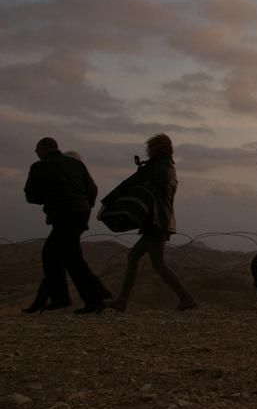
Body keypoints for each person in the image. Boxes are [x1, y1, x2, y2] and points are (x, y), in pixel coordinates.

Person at [109, 134, 197, 312]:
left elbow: (128, 183)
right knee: (133, 257)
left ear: (154, 149)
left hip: (155, 222)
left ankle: (186, 299)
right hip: (162, 221)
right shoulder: (169, 168)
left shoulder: (155, 167)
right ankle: (122, 301)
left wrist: (106, 203)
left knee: (158, 263)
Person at [23, 138, 110, 314]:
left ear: (43, 149)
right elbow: (92, 189)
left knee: (65, 257)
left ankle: (90, 300)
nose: (35, 152)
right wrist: (84, 205)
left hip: (63, 215)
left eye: (36, 149)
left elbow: (31, 196)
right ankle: (71, 298)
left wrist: (49, 198)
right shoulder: (76, 165)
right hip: (80, 213)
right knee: (61, 255)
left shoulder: (40, 167)